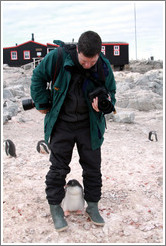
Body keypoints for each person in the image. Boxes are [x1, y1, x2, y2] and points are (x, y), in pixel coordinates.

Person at [30, 31, 116, 232]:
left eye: (92, 61)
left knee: (93, 168)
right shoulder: (58, 57)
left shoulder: (103, 66)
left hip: (90, 125)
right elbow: (37, 77)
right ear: (77, 49)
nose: (88, 65)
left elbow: (112, 93)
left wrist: (104, 104)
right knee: (58, 168)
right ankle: (55, 208)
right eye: (84, 61)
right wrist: (42, 103)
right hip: (62, 122)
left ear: (98, 54)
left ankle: (93, 206)